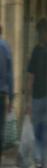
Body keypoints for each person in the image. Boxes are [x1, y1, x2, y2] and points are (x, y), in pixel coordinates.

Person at [23, 23, 47, 168]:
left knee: (38, 135)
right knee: (45, 137)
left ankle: (38, 162)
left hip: (37, 99)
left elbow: (30, 78)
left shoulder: (35, 51)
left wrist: (27, 100)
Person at [0, 23, 12, 153]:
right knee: (1, 127)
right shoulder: (6, 47)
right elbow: (10, 74)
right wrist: (12, 98)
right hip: (2, 94)